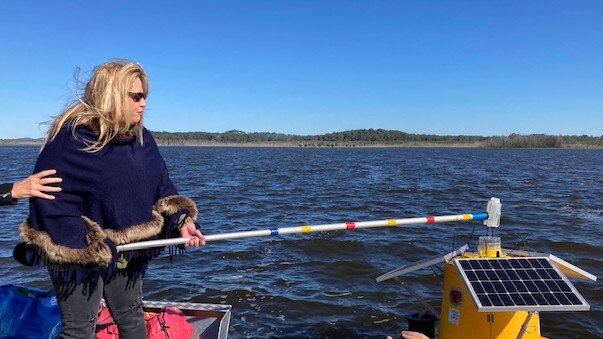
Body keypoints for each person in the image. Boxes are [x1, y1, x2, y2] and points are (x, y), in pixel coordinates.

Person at [14, 59, 205, 338]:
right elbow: (51, 205)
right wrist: (94, 246)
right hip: (78, 253)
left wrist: (182, 221)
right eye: (136, 96)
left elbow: (163, 190)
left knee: (131, 318)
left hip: (129, 251)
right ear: (112, 95)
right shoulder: (69, 142)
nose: (144, 103)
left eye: (145, 97)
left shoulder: (143, 141)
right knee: (79, 329)